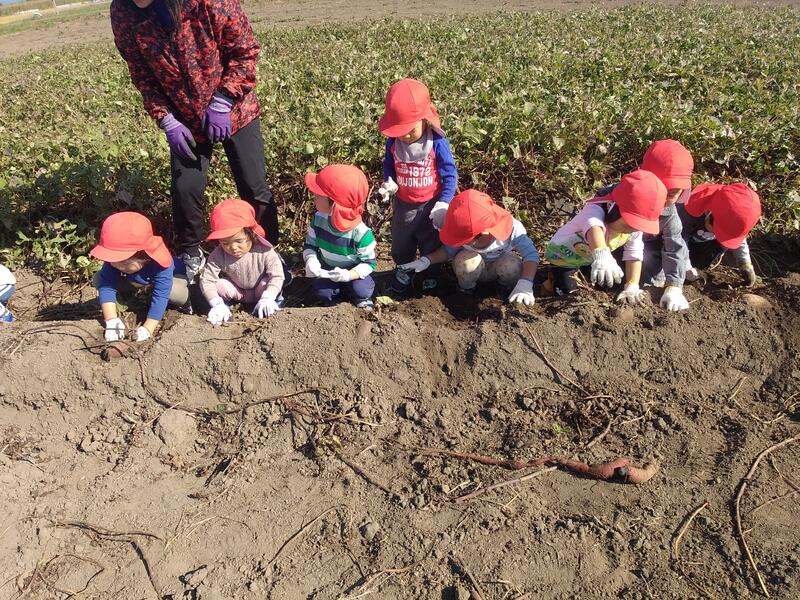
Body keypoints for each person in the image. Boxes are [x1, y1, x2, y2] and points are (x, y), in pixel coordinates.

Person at [110, 0, 279, 283]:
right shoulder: (122, 11)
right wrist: (166, 119)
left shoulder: (207, 1)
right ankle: (192, 257)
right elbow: (141, 73)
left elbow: (245, 51)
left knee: (253, 186)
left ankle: (268, 251)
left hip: (235, 109)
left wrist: (223, 100)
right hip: (184, 118)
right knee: (185, 188)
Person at [377, 79, 458, 293]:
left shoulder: (437, 143)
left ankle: (431, 274)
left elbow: (450, 174)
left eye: (410, 129)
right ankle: (404, 270)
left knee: (431, 242)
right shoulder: (393, 143)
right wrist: (389, 182)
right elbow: (389, 165)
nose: (405, 135)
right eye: (399, 130)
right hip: (404, 205)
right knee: (401, 243)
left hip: (431, 205)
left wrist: (444, 203)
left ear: (425, 120)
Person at [544, 169, 667, 303]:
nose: (630, 231)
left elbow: (634, 254)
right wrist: (602, 255)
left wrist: (632, 285)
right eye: (627, 225)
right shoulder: (593, 211)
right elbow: (594, 227)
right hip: (563, 257)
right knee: (570, 294)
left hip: (589, 259)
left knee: (608, 285)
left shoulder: (634, 229)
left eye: (636, 228)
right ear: (611, 206)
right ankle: (549, 281)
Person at [399, 189, 538, 305]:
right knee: (468, 262)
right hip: (471, 271)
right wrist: (426, 260)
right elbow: (448, 251)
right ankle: (465, 292)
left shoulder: (512, 228)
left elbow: (531, 255)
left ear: (483, 233)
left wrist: (525, 283)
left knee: (513, 266)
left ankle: (503, 292)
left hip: (498, 268)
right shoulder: (461, 227)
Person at [91, 212, 189, 342]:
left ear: (142, 256)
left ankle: (189, 304)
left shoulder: (162, 263)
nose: (115, 265)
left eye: (123, 264)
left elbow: (161, 295)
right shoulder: (115, 260)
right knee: (99, 278)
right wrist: (111, 320)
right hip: (139, 282)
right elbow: (106, 284)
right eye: (113, 261)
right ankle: (138, 295)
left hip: (174, 277)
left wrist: (148, 328)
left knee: (176, 293)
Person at [199, 199, 285, 326]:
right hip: (238, 292)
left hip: (261, 290)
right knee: (219, 285)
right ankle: (225, 308)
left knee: (266, 282)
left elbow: (277, 275)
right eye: (225, 243)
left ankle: (275, 303)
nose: (233, 247)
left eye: (239, 241)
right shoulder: (218, 255)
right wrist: (216, 303)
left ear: (250, 234)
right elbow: (207, 280)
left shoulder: (264, 250)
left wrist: (268, 297)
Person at [303, 164, 377, 309]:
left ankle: (360, 297)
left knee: (361, 290)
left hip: (354, 271)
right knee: (321, 292)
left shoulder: (361, 233)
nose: (314, 198)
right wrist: (311, 259)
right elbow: (310, 245)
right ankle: (336, 299)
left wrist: (349, 275)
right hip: (328, 269)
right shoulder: (318, 220)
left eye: (318, 195)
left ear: (334, 204)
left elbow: (370, 264)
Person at [635, 139, 694, 311]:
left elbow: (674, 249)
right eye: (658, 188)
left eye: (671, 193)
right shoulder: (622, 196)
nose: (662, 197)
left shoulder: (669, 215)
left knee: (651, 281)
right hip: (616, 247)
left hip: (647, 254)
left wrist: (674, 286)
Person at [679, 182, 762, 286]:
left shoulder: (733, 219)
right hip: (680, 242)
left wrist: (745, 263)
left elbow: (737, 237)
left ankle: (696, 267)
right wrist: (687, 268)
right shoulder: (689, 210)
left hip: (703, 245)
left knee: (723, 244)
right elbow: (678, 241)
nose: (718, 236)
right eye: (718, 231)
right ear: (709, 213)